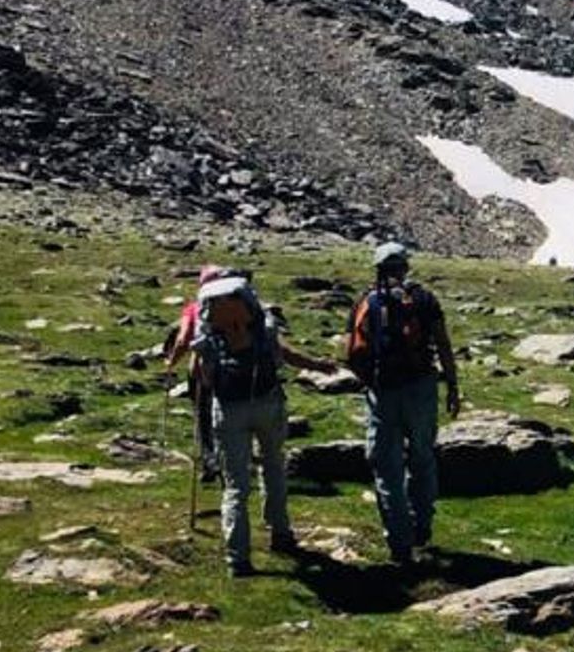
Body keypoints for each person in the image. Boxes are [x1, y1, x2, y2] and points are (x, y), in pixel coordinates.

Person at [190, 272, 335, 577]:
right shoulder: (261, 328)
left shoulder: (210, 333)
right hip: (267, 402)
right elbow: (285, 355)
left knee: (235, 485)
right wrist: (319, 365)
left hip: (229, 409)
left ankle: (237, 557)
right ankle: (280, 533)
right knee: (272, 466)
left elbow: (204, 377)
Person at [346, 242, 460, 566]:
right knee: (423, 457)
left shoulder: (365, 301)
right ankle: (422, 524)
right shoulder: (423, 299)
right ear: (405, 267)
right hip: (421, 387)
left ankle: (399, 541)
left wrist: (370, 381)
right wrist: (452, 384)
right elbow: (443, 343)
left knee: (387, 467)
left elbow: (350, 351)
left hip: (383, 392)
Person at [165, 265, 228, 484]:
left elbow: (183, 340)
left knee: (203, 417)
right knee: (226, 415)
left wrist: (171, 362)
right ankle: (230, 459)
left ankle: (210, 462)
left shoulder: (194, 309)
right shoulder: (236, 307)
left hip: (201, 370)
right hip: (230, 369)